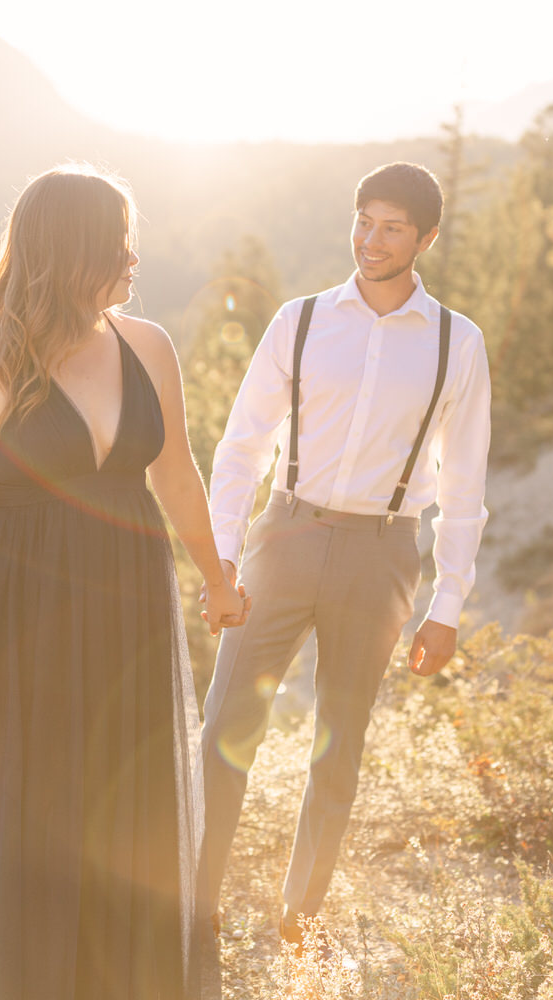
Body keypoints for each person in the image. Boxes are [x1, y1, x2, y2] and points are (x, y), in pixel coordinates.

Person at [0, 163, 243, 999]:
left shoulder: (148, 347)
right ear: (70, 252)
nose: (134, 260)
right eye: (116, 244)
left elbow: (175, 475)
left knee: (131, 821)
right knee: (39, 838)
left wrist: (216, 577)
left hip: (132, 618)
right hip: (23, 633)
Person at [198, 161, 492, 948]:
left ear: (426, 238)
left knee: (340, 742)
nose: (371, 239)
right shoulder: (298, 320)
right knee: (227, 723)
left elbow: (465, 486)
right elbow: (241, 446)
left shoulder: (457, 345)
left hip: (383, 553)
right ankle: (194, 903)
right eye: (363, 220)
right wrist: (221, 559)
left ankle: (301, 919)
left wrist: (448, 606)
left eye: (392, 226)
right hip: (284, 537)